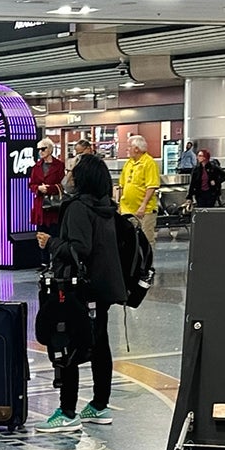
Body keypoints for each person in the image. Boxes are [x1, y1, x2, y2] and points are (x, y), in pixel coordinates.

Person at [35, 153, 126, 432]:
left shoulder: (77, 207)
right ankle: (99, 405)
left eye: (73, 171)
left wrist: (51, 242)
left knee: (68, 342)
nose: (68, 175)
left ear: (82, 178)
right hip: (103, 287)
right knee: (99, 344)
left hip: (78, 288)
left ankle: (67, 411)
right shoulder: (106, 207)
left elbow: (79, 248)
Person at [118, 134, 160, 255]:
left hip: (144, 211)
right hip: (127, 210)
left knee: (146, 239)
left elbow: (151, 186)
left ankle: (148, 263)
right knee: (129, 239)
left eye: (129, 146)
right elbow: (122, 185)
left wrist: (143, 205)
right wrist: (119, 204)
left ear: (136, 148)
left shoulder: (149, 163)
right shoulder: (128, 163)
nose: (127, 149)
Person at [28, 137, 64, 262]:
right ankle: (44, 261)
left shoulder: (59, 165)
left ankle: (56, 261)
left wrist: (50, 188)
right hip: (40, 206)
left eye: (43, 149)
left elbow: (63, 185)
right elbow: (31, 184)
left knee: (54, 233)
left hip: (54, 206)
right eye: (39, 149)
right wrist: (38, 188)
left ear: (50, 149)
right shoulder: (36, 166)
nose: (40, 152)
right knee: (41, 233)